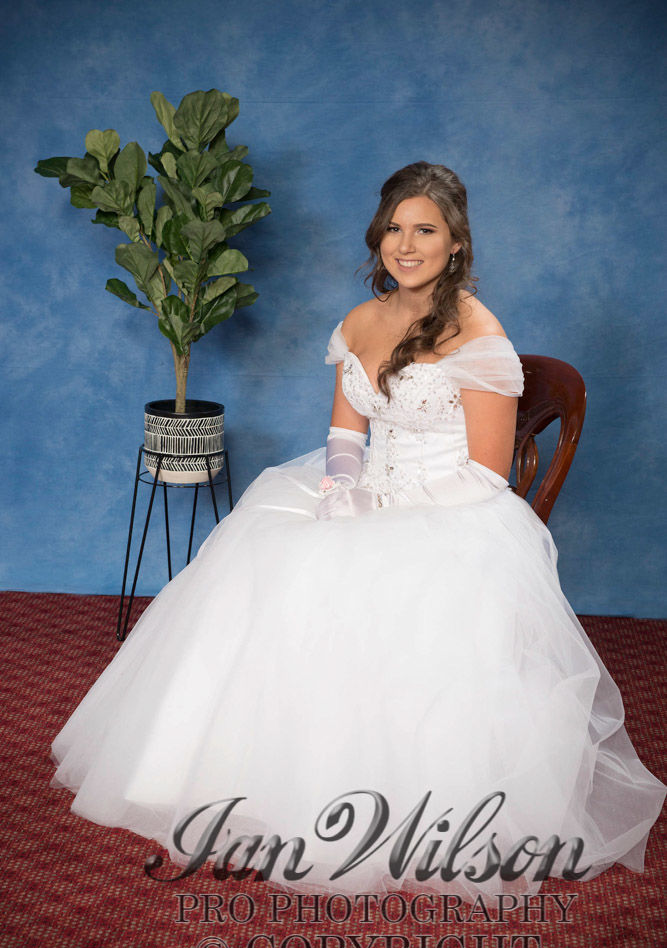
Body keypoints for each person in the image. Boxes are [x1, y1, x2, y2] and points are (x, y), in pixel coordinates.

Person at [51, 162, 665, 901]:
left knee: (339, 576)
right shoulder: (358, 321)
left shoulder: (479, 335)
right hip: (367, 488)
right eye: (393, 229)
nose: (405, 245)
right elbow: (345, 434)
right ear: (378, 237)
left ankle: (349, 802)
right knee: (265, 552)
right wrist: (343, 488)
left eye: (425, 230)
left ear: (456, 242)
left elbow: (485, 474)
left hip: (450, 511)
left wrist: (387, 509)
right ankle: (243, 780)